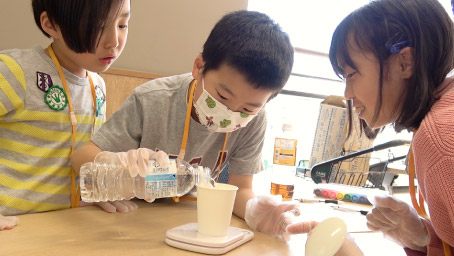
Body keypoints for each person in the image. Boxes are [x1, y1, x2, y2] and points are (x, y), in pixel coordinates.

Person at [71, 10, 301, 240]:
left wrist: (255, 210)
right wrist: (114, 163)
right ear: (199, 67)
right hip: (132, 223)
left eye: (247, 109)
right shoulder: (153, 99)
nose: (230, 113)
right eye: (222, 96)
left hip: (191, 224)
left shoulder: (256, 120)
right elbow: (80, 158)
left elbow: (240, 188)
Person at [324, 0, 454, 255]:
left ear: (405, 63)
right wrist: (422, 236)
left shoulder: (439, 137)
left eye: (351, 74)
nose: (348, 94)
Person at [0, 0, 133, 231]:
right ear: (51, 25)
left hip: (65, 226)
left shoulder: (97, 86)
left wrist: (97, 189)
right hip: (13, 228)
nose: (114, 42)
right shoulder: (15, 71)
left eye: (122, 25)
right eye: (99, 27)